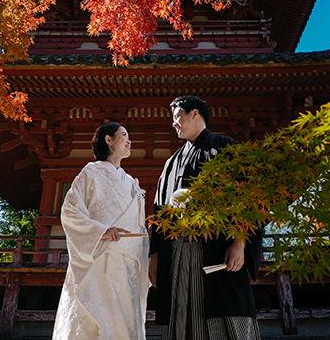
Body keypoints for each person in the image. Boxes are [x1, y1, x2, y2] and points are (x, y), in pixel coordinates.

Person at [149, 96, 263, 340]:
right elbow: (160, 212)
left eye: (178, 116)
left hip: (218, 245)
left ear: (195, 114)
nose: (174, 123)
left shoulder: (223, 145)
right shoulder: (171, 163)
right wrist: (155, 255)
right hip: (178, 252)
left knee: (225, 310)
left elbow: (248, 196)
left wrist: (240, 243)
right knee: (182, 313)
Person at [52, 122, 149, 340]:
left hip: (128, 265)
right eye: (124, 135)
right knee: (93, 324)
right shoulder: (91, 172)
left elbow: (139, 226)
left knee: (124, 325)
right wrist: (102, 230)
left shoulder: (131, 183)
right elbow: (70, 212)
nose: (129, 140)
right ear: (108, 139)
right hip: (99, 257)